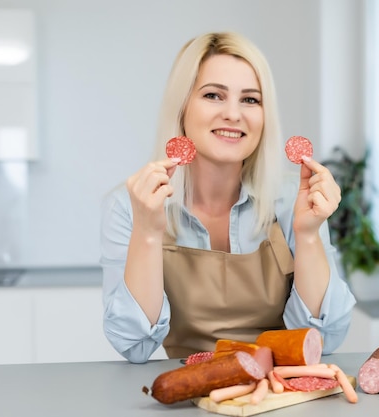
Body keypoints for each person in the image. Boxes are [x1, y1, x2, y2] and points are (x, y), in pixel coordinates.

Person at [100, 31, 356, 363]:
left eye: (250, 99)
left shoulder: (296, 197)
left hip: (280, 395)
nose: (233, 114)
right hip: (188, 394)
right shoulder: (131, 204)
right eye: (213, 95)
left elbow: (326, 339)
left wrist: (308, 236)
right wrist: (148, 233)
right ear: (182, 107)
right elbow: (134, 345)